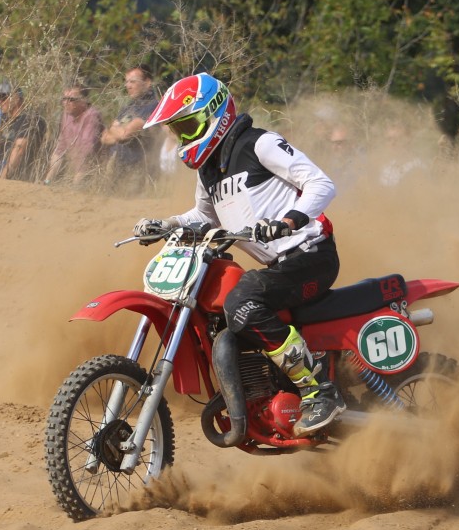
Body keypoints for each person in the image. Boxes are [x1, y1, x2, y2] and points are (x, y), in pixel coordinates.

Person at [133, 73, 344, 435]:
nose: (184, 137)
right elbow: (204, 216)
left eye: (188, 126)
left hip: (311, 256)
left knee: (242, 300)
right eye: (178, 131)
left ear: (214, 114)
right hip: (280, 266)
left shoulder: (260, 143)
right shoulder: (208, 170)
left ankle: (320, 392)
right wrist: (166, 224)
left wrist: (288, 221)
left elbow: (320, 183)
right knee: (222, 311)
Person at [100, 66, 159, 187]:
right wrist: (119, 131)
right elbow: (105, 137)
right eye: (126, 82)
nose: (128, 86)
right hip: (117, 168)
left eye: (133, 81)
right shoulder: (128, 107)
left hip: (138, 171)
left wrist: (117, 130)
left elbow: (125, 134)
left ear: (147, 83)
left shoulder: (153, 106)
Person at [44, 85, 103, 185]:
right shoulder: (66, 115)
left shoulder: (91, 116)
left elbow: (86, 152)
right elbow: (60, 149)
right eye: (64, 99)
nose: (66, 103)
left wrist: (75, 185)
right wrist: (47, 181)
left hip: (96, 170)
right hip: (76, 167)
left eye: (71, 99)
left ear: (83, 101)